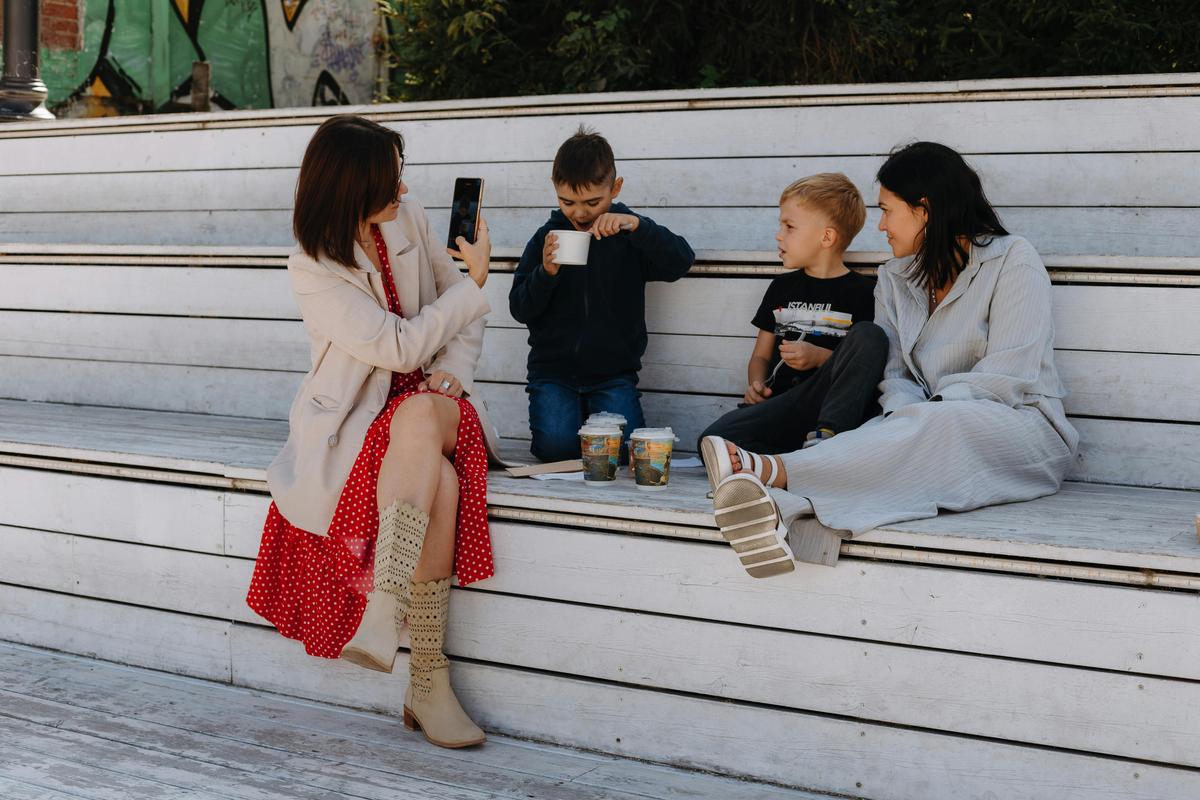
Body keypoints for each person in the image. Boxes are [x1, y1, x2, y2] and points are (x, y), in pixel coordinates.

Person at [701, 142, 1079, 579]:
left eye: (887, 210)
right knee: (908, 432)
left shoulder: (1013, 260)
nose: (880, 226)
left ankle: (769, 470)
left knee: (938, 425)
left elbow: (1007, 375)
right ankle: (780, 512)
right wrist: (903, 418)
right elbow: (895, 372)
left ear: (925, 210)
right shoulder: (894, 278)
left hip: (1017, 429)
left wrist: (914, 420)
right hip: (921, 429)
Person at [244, 115, 500, 748]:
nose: (403, 187)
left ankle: (385, 611)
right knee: (434, 475)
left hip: (438, 404)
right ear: (350, 190)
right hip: (362, 422)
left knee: (419, 415)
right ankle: (428, 680)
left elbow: (454, 321)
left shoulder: (406, 214)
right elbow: (396, 345)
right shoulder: (312, 265)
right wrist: (475, 285)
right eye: (388, 179)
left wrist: (456, 374)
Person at [508, 126, 695, 462]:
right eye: (568, 202)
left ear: (615, 188)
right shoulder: (546, 238)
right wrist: (546, 273)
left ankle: (589, 422)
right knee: (556, 450)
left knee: (623, 455)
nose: (580, 213)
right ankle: (573, 422)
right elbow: (520, 308)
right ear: (555, 191)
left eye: (592, 202)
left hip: (613, 374)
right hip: (553, 373)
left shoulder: (629, 234)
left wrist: (637, 225)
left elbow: (680, 262)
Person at [697, 173, 886, 472]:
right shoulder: (781, 288)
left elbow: (867, 362)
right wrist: (756, 385)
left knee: (870, 335)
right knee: (713, 439)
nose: (779, 235)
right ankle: (794, 460)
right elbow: (760, 355)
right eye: (780, 225)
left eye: (789, 226)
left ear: (826, 237)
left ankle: (825, 440)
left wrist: (821, 358)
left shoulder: (865, 293)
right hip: (782, 406)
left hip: (830, 406)